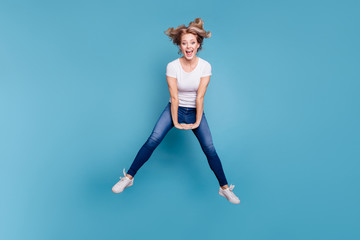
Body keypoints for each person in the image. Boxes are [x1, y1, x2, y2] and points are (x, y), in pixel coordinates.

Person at [112, 18, 240, 204]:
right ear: (180, 46)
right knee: (153, 139)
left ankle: (225, 188)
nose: (188, 46)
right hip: (174, 108)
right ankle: (128, 178)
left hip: (195, 110)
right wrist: (176, 121)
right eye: (184, 43)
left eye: (192, 43)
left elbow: (200, 97)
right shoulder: (172, 66)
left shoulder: (205, 66)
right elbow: (174, 98)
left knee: (209, 148)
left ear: (198, 45)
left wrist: (196, 122)